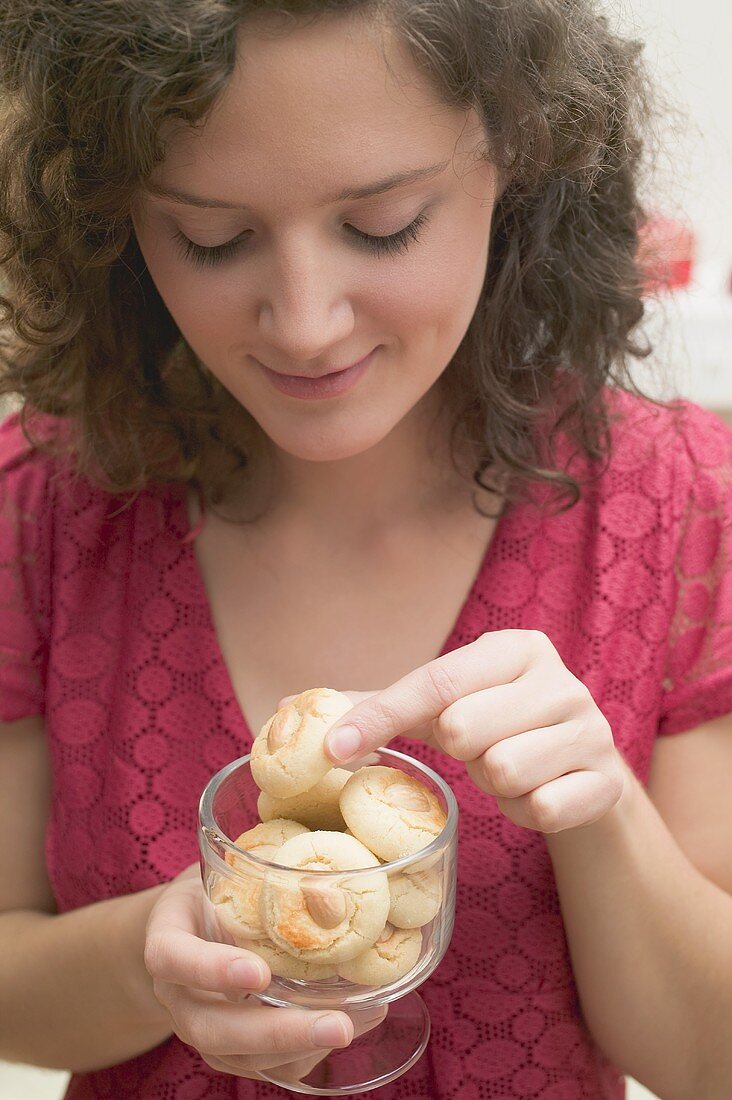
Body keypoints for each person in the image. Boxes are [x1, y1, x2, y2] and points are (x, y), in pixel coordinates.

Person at [0, 1, 730, 1097]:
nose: (304, 321)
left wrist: (604, 807)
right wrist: (146, 957)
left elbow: (708, 1060)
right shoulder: (45, 505)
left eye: (383, 222)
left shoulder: (682, 510)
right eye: (211, 236)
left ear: (519, 151)